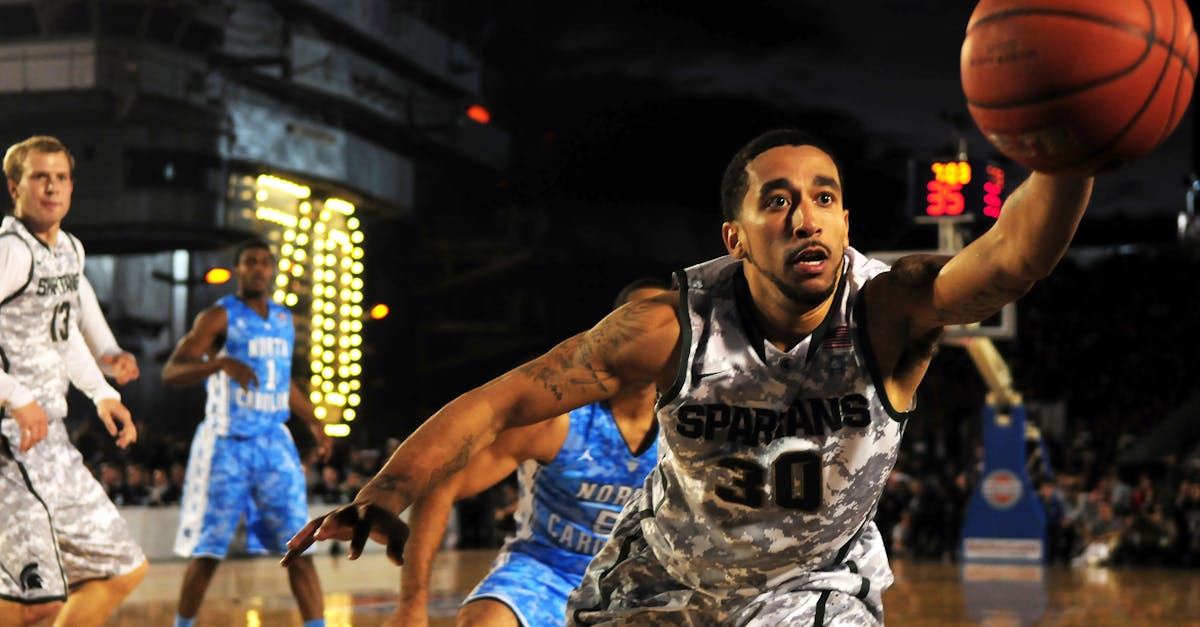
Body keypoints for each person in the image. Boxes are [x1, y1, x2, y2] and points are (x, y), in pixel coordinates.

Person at [284, 127, 1094, 625]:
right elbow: (500, 402)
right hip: (661, 577)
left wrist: (1070, 150)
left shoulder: (890, 309)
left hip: (811, 583)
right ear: (735, 237)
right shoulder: (668, 323)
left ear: (845, 221)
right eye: (777, 200)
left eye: (825, 197)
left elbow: (1010, 257)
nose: (805, 216)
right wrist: (383, 491)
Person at [388, 278, 667, 627]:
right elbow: (442, 485)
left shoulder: (693, 426)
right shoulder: (559, 419)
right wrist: (412, 605)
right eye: (638, 321)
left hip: (643, 584)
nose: (651, 334)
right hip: (545, 572)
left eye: (664, 324)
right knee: (483, 622)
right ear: (609, 333)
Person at [0, 135, 147, 626]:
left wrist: (104, 391)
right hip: (8, 441)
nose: (52, 187)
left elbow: (66, 336)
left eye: (60, 177)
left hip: (51, 441)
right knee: (34, 602)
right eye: (40, 176)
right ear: (14, 187)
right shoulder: (10, 252)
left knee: (123, 569)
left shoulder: (67, 250)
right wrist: (16, 395)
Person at [162, 239, 332, 627]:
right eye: (250, 262)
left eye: (265, 263)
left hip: (273, 444)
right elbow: (171, 373)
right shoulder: (218, 318)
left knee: (300, 546)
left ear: (273, 270)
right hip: (227, 445)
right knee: (207, 553)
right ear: (237, 270)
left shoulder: (285, 320)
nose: (258, 269)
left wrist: (315, 422)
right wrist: (219, 364)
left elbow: (284, 383)